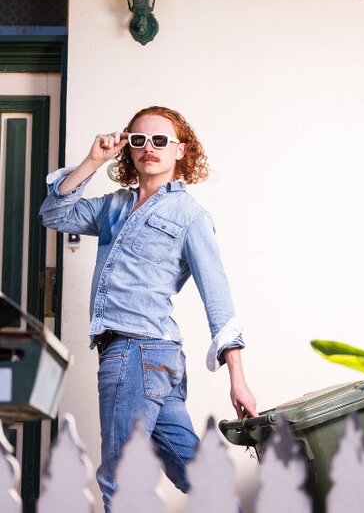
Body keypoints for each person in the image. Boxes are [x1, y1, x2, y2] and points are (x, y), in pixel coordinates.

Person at [39, 106, 258, 511]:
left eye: (161, 140)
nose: (148, 148)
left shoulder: (190, 216)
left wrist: (238, 378)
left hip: (136, 353)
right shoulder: (113, 206)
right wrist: (93, 160)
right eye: (138, 140)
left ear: (181, 150)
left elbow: (218, 297)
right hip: (152, 359)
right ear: (128, 149)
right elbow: (54, 214)